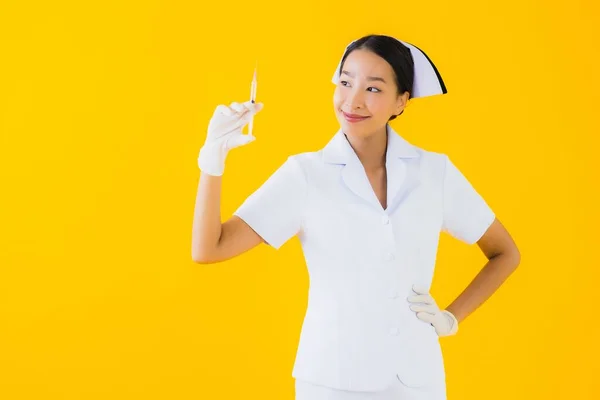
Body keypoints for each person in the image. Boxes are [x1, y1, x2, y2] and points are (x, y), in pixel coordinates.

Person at [191, 34, 521, 400]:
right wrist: (212, 161)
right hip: (332, 380)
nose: (352, 100)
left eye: (373, 89)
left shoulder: (433, 172)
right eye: (345, 82)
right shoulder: (305, 175)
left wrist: (451, 318)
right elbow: (209, 247)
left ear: (401, 101)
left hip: (417, 380)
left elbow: (505, 253)